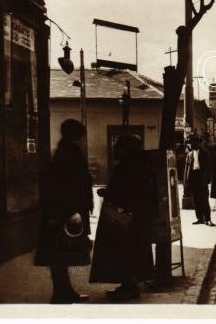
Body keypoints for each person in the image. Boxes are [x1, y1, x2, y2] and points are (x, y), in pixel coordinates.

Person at [90, 134, 156, 301]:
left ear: (128, 150)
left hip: (125, 218)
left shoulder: (130, 167)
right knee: (126, 251)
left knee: (124, 251)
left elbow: (129, 193)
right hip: (130, 217)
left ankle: (130, 287)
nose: (115, 151)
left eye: (119, 148)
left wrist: (108, 193)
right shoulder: (137, 165)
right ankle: (127, 285)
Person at [35, 119, 93, 304]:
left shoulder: (63, 151)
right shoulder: (70, 153)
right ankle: (61, 293)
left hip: (60, 211)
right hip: (66, 212)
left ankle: (64, 291)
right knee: (61, 253)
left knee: (60, 253)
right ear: (77, 135)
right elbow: (70, 185)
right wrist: (75, 211)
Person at [186, 136, 213, 225]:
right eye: (191, 143)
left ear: (198, 143)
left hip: (202, 178)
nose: (192, 145)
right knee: (196, 200)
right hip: (193, 178)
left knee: (204, 199)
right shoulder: (189, 154)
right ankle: (200, 218)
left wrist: (206, 179)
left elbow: (208, 167)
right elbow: (187, 169)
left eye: (194, 143)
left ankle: (207, 219)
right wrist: (187, 181)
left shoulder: (205, 153)